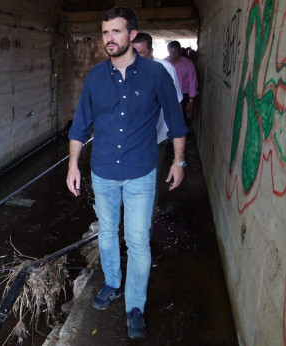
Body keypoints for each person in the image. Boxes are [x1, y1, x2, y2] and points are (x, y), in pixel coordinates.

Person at [65, 7, 188, 339]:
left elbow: (177, 124)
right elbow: (78, 127)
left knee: (137, 241)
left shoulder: (156, 74)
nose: (109, 38)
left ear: (132, 35)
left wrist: (178, 162)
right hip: (102, 172)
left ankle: (135, 306)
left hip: (140, 173)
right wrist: (73, 165)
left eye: (116, 32)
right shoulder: (94, 77)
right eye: (105, 32)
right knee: (106, 233)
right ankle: (112, 283)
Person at [132, 33, 183, 236]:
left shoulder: (165, 69)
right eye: (133, 53)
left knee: (148, 185)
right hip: (131, 140)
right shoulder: (125, 67)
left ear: (152, 52)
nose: (137, 58)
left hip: (156, 139)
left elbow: (176, 104)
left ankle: (145, 233)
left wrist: (177, 150)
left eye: (142, 53)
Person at [166, 40, 198, 121]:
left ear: (180, 50)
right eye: (171, 52)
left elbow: (192, 82)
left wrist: (191, 101)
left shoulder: (188, 64)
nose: (173, 54)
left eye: (176, 51)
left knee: (182, 119)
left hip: (184, 97)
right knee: (168, 119)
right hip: (167, 95)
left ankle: (183, 133)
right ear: (168, 51)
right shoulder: (164, 63)